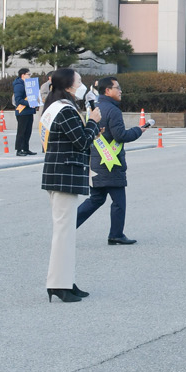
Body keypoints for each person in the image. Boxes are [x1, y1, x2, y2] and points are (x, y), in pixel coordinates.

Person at [40, 68, 100, 302]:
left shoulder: (59, 107)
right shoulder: (64, 109)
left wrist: (91, 127)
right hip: (64, 174)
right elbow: (81, 141)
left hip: (61, 174)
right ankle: (58, 284)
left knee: (65, 233)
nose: (82, 85)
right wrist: (93, 122)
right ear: (68, 85)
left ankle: (65, 280)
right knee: (64, 233)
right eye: (79, 81)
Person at [76, 76, 152, 246]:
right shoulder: (113, 110)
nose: (120, 91)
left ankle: (67, 226)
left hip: (96, 162)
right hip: (111, 163)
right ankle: (116, 234)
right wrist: (138, 130)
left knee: (96, 199)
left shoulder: (95, 109)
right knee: (118, 201)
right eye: (117, 88)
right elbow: (120, 136)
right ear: (108, 90)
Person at [13, 66, 38, 156]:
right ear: (23, 75)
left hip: (29, 111)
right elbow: (18, 99)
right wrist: (29, 103)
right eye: (28, 74)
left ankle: (26, 148)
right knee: (21, 131)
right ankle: (19, 149)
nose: (30, 76)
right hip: (22, 112)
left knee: (28, 131)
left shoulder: (28, 84)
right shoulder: (19, 85)